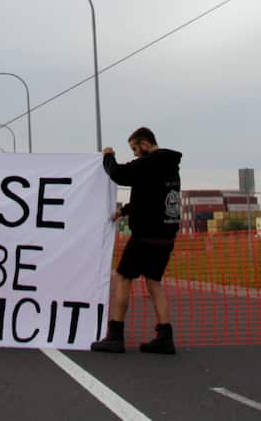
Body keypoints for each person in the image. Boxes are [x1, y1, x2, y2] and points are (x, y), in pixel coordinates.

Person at [91, 126, 182, 355]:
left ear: (144, 143)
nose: (133, 153)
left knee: (122, 277)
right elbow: (152, 196)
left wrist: (108, 156)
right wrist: (126, 210)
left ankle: (115, 336)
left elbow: (119, 174)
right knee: (154, 282)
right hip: (166, 235)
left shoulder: (147, 163)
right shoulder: (171, 167)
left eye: (134, 148)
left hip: (145, 235)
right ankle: (165, 337)